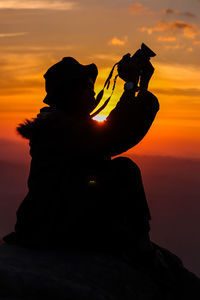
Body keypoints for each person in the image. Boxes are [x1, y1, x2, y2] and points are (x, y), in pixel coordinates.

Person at [3, 57, 159, 255]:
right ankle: (139, 247)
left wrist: (138, 86)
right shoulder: (62, 130)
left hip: (47, 223)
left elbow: (114, 130)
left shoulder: (57, 125)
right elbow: (117, 134)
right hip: (58, 227)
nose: (93, 90)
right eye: (87, 86)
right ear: (73, 95)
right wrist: (132, 86)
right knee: (124, 170)